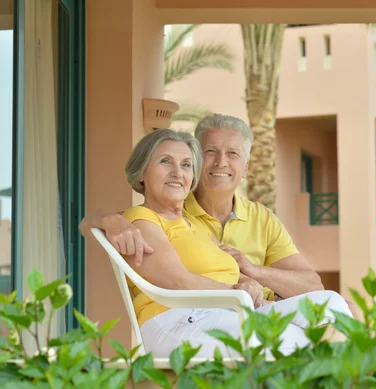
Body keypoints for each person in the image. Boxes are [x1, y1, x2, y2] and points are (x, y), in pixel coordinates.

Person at [111, 128, 352, 358]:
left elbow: (230, 271)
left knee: (330, 303)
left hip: (229, 311)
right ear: (142, 172)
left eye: (186, 165)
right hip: (176, 320)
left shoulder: (193, 225)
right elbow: (177, 281)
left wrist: (248, 283)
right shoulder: (140, 219)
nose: (177, 172)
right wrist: (238, 295)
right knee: (294, 341)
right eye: (165, 161)